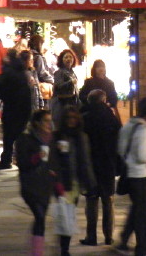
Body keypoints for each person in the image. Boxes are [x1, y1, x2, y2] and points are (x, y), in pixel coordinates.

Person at [117, 97, 146, 256]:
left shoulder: (128, 125)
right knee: (144, 217)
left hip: (130, 175)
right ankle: (143, 250)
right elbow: (143, 156)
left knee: (137, 211)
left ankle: (125, 239)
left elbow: (121, 149)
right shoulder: (143, 129)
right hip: (141, 176)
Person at [15, 110, 62, 256]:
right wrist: (36, 157)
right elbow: (22, 163)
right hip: (30, 185)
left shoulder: (52, 140)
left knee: (40, 219)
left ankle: (35, 243)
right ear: (37, 123)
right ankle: (37, 252)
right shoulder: (25, 139)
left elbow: (55, 164)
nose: (50, 124)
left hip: (45, 186)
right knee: (40, 217)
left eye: (50, 121)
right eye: (46, 121)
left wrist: (57, 181)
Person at [51, 106, 96, 256]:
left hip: (75, 183)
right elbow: (53, 160)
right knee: (65, 215)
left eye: (74, 118)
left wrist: (90, 182)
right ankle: (64, 248)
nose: (71, 121)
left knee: (69, 215)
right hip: (62, 182)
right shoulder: (57, 136)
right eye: (68, 118)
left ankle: (64, 246)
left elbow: (86, 160)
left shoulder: (81, 137)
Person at [80, 89, 121, 246]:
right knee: (108, 201)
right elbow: (118, 139)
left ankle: (91, 236)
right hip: (107, 164)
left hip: (90, 164)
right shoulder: (110, 118)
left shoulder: (84, 117)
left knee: (91, 201)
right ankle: (109, 236)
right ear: (104, 101)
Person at [0, 52, 32, 170]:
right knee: (19, 135)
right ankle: (22, 159)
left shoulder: (8, 72)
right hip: (24, 107)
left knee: (8, 136)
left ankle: (6, 160)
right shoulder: (22, 72)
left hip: (12, 108)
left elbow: (1, 89)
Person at [51, 49, 80, 126]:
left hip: (72, 103)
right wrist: (70, 82)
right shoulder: (59, 72)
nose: (68, 59)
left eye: (70, 57)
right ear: (61, 60)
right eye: (66, 57)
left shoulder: (72, 72)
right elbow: (58, 86)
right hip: (62, 104)